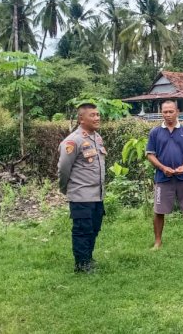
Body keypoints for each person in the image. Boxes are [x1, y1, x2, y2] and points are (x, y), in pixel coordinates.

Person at [57, 103, 107, 273]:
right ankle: (81, 264)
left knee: (94, 228)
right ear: (81, 118)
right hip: (81, 195)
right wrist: (66, 189)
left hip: (97, 195)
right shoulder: (73, 140)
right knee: (82, 230)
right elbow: (64, 168)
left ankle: (88, 258)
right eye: (92, 115)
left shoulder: (96, 137)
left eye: (98, 114)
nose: (97, 118)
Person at [146, 100, 183, 249]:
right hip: (163, 177)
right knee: (159, 210)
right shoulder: (155, 132)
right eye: (165, 112)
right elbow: (150, 155)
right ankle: (157, 241)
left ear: (177, 112)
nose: (168, 115)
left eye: (171, 111)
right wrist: (163, 168)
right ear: (161, 113)